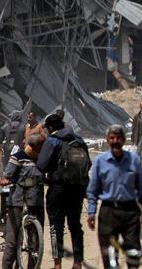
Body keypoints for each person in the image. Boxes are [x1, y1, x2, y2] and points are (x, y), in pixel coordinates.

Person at [86, 124, 142, 268]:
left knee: (133, 255)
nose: (115, 140)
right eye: (112, 138)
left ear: (123, 140)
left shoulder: (133, 160)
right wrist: (91, 212)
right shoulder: (100, 161)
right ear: (108, 140)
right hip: (108, 212)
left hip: (130, 212)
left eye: (118, 138)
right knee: (109, 257)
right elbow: (93, 190)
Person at [37, 113, 90, 269]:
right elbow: (89, 164)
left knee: (55, 226)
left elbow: (41, 165)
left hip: (58, 189)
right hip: (77, 189)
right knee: (75, 225)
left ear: (50, 128)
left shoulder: (52, 141)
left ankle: (58, 264)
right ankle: (77, 262)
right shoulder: (79, 140)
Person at [1, 133, 46, 269]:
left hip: (36, 203)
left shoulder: (43, 160)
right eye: (42, 146)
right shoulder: (18, 158)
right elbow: (7, 174)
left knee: (35, 243)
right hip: (18, 203)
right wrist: (5, 179)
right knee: (12, 242)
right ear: (35, 146)